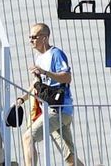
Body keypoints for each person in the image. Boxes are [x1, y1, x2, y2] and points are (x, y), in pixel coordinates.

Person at [21, 23, 77, 166]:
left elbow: (67, 77)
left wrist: (45, 72)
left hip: (58, 109)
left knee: (28, 137)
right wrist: (22, 99)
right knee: (70, 158)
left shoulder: (56, 54)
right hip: (52, 109)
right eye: (30, 37)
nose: (31, 41)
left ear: (44, 38)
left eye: (34, 37)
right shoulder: (39, 58)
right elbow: (35, 84)